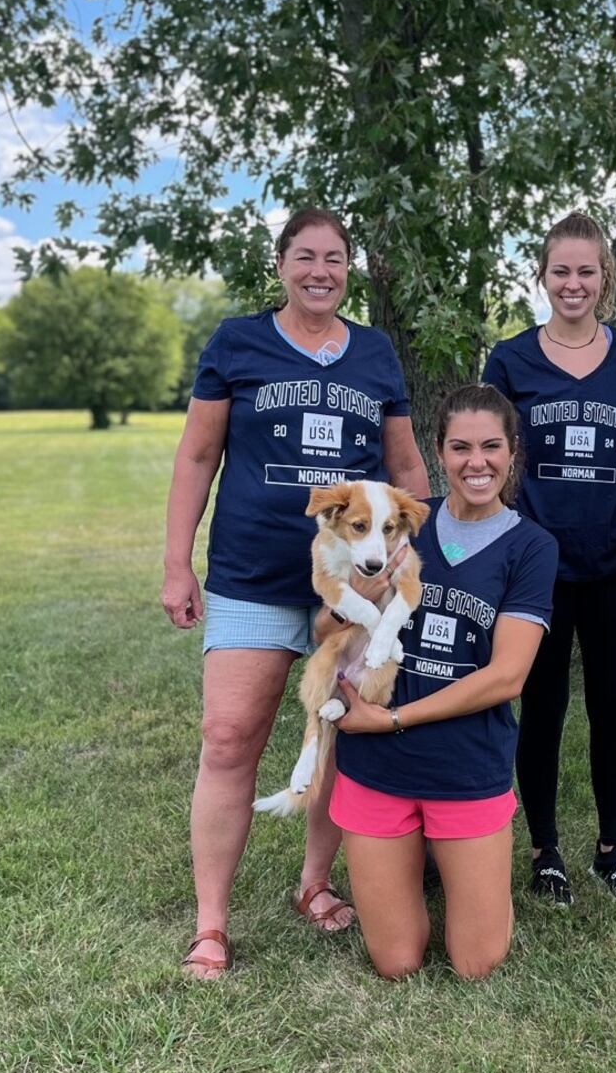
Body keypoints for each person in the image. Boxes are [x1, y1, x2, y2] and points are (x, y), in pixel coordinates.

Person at [162, 206, 430, 978]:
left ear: (350, 269)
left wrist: (420, 562)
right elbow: (197, 455)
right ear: (279, 263)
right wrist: (177, 564)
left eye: (335, 258)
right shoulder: (238, 343)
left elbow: (407, 472)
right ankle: (210, 924)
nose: (321, 270)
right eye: (306, 256)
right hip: (252, 575)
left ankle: (314, 884)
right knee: (228, 737)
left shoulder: (375, 354)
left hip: (354, 589)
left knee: (339, 734)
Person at [329, 384, 558, 979]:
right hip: (377, 766)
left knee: (477, 963)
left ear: (513, 452)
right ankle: (424, 865)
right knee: (396, 961)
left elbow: (507, 677)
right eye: (460, 447)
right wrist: (364, 591)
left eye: (490, 446)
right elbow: (322, 624)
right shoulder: (396, 522)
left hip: (466, 766)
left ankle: (470, 874)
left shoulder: (532, 546)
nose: (475, 462)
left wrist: (394, 718)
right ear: (438, 451)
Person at [481, 213, 616, 909]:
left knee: (614, 709)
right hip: (537, 566)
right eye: (561, 270)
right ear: (542, 275)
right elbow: (494, 460)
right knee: (542, 706)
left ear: (605, 278)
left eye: (586, 271)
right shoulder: (509, 360)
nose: (573, 283)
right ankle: (545, 846)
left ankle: (613, 850)